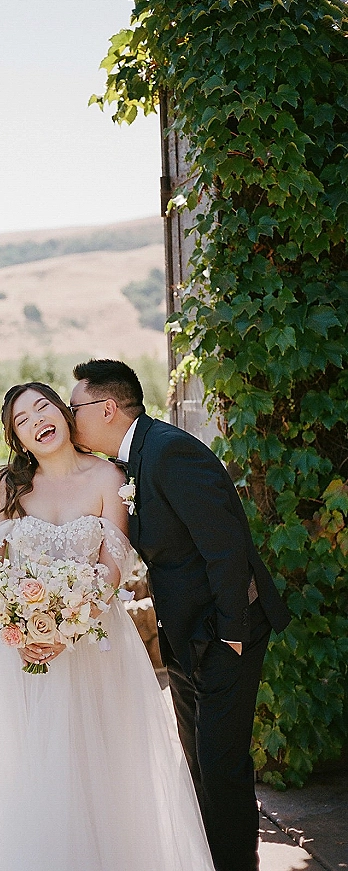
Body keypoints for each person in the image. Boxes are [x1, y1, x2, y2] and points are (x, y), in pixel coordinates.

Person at [0, 381, 215, 871]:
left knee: (101, 772)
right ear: (17, 438)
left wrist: (67, 629)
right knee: (26, 772)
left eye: (44, 406)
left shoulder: (109, 478)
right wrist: (21, 623)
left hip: (96, 646)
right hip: (19, 652)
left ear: (62, 412)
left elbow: (113, 563)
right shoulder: (6, 486)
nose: (37, 419)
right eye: (22, 419)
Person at [70, 359, 291, 871]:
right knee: (198, 767)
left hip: (225, 634)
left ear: (107, 408)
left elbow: (226, 548)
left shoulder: (170, 453)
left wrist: (231, 636)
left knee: (222, 771)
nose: (68, 414)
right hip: (186, 638)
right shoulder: (131, 459)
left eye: (74, 406)